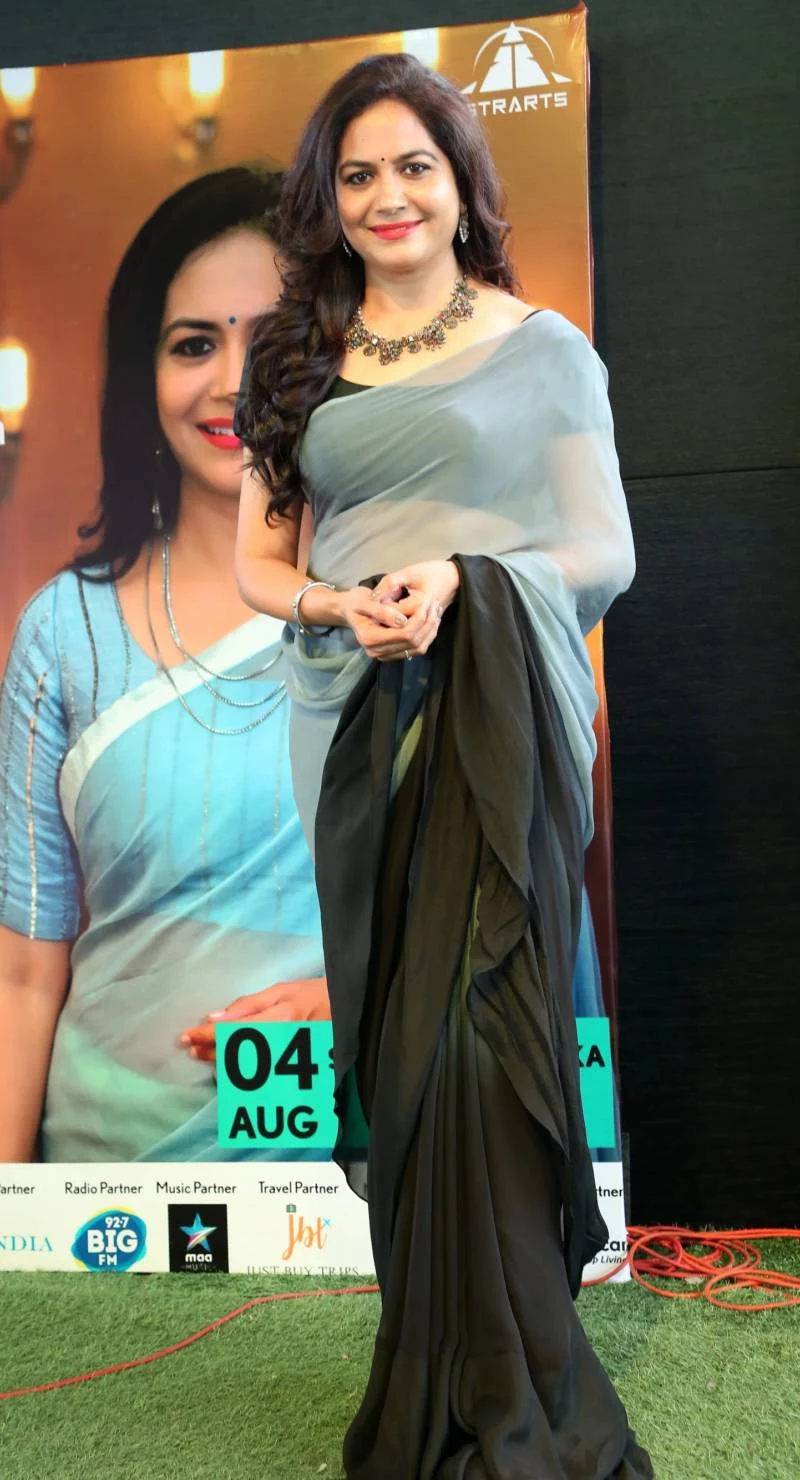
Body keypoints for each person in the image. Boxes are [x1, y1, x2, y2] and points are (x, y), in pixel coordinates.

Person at [235, 54, 652, 1480]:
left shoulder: (544, 349)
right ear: (328, 200)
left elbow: (603, 551)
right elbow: (259, 562)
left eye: (413, 166)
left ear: (462, 185)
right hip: (355, 727)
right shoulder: (296, 355)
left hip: (495, 722)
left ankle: (521, 1389)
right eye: (356, 174)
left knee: (482, 1041)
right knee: (405, 1057)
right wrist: (337, 603)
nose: (386, 196)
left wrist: (467, 580)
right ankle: (430, 1377)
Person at [0, 167, 329, 1164]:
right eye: (194, 344)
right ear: (143, 378)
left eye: (271, 340)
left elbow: (500, 913)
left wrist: (354, 997)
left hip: (349, 1187)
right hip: (102, 1189)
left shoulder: (395, 610)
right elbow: (22, 976)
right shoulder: (64, 634)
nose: (233, 381)